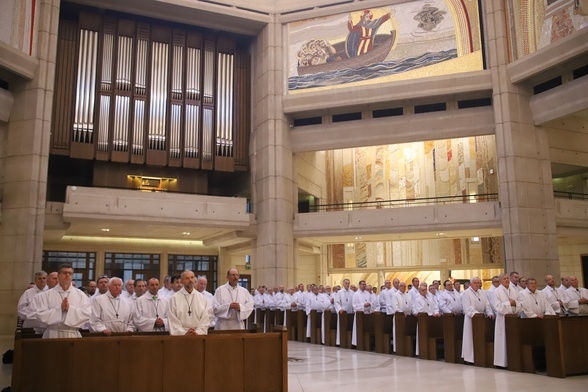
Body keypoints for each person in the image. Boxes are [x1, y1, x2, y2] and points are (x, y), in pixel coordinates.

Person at [33, 263, 91, 338]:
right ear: (58, 276)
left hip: (73, 334)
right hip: (52, 334)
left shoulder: (81, 295)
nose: (67, 275)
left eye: (70, 273)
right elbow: (40, 315)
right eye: (64, 273)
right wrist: (60, 309)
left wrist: (70, 309)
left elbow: (87, 314)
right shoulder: (45, 295)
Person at [461, 277, 494, 363]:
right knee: (470, 338)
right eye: (475, 282)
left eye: (479, 282)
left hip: (482, 318)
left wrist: (489, 313)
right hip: (472, 319)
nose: (478, 284)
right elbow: (467, 308)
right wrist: (478, 315)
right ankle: (469, 358)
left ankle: (480, 356)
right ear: (470, 284)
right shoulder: (466, 293)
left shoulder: (482, 292)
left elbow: (487, 305)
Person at [168, 270, 211, 335]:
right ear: (182, 281)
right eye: (187, 278)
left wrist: (198, 332)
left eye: (192, 277)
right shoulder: (174, 298)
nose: (190, 280)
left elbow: (205, 319)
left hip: (198, 336)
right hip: (180, 337)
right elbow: (172, 320)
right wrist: (184, 333)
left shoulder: (202, 298)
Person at [493, 273, 522, 367]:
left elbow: (522, 303)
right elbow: (497, 306)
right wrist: (509, 303)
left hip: (514, 318)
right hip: (503, 319)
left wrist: (515, 303)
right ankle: (501, 363)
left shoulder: (513, 290)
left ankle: (513, 361)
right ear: (500, 281)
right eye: (504, 279)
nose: (507, 280)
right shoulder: (497, 291)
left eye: (507, 278)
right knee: (503, 341)